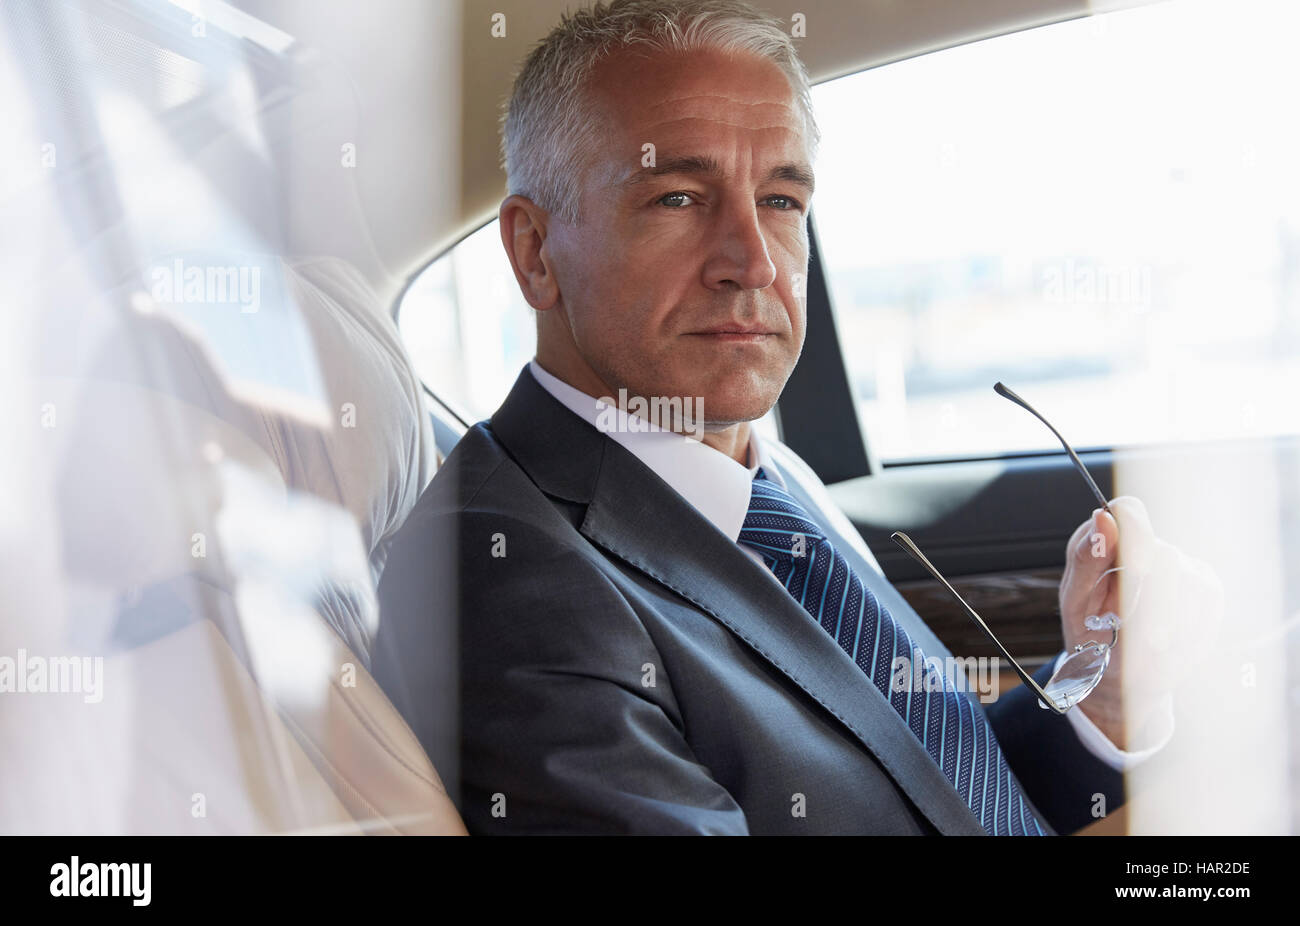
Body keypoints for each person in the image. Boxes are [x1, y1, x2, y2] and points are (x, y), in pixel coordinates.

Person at [374, 0, 1211, 834]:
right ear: (534, 253)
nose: (752, 261)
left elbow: (935, 791)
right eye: (676, 198)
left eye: (779, 199)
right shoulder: (503, 580)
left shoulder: (769, 484)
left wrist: (1107, 703)